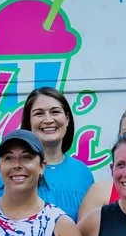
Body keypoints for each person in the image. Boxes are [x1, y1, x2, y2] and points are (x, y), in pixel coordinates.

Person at [17, 86, 94, 217]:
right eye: (39, 113)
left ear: (67, 119)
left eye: (55, 112)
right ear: (29, 121)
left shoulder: (83, 173)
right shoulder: (11, 170)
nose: (48, 120)